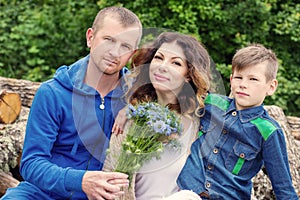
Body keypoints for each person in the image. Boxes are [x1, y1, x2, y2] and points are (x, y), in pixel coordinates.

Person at [1, 6, 142, 200]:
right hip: (43, 194)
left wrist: (135, 108)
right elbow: (31, 163)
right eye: (108, 40)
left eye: (125, 46)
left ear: (132, 53)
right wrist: (80, 181)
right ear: (90, 37)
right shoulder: (52, 93)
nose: (114, 52)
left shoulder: (139, 97)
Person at [177, 44, 299, 199]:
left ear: (271, 87)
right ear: (231, 80)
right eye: (239, 77)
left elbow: (284, 188)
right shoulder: (210, 103)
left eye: (253, 79)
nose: (243, 84)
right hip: (184, 191)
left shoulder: (268, 131)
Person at [103, 31, 212, 200]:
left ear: (189, 75)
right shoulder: (131, 120)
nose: (163, 66)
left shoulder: (201, 123)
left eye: (175, 63)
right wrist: (130, 111)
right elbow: (110, 177)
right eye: (159, 58)